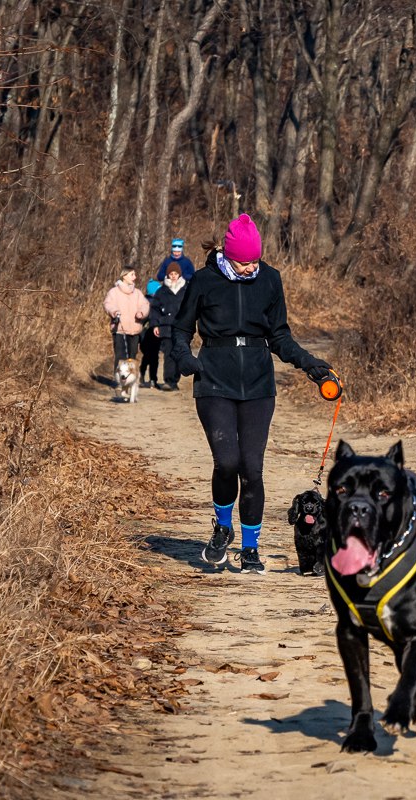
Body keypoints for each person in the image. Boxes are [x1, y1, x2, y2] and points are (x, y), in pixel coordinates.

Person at [170, 213, 333, 575]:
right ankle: (222, 527)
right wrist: (185, 358)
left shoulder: (271, 280)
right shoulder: (204, 280)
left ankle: (250, 548)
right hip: (213, 380)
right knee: (227, 462)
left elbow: (280, 336)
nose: (249, 268)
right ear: (228, 255)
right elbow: (179, 329)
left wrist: (309, 364)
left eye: (255, 261)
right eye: (243, 262)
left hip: (259, 385)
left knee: (253, 470)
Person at [149, 263, 187, 391]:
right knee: (169, 354)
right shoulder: (162, 291)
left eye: (176, 274)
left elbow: (191, 308)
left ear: (179, 274)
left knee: (180, 354)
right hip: (166, 327)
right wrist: (155, 324)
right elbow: (154, 309)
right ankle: (169, 381)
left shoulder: (186, 289)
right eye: (171, 274)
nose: (173, 276)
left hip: (182, 327)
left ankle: (176, 379)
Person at [103, 267, 150, 364]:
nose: (135, 277)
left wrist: (141, 313)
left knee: (132, 358)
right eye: (132, 274)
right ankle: (119, 379)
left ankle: (131, 378)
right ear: (124, 276)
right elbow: (108, 304)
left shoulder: (137, 293)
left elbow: (145, 305)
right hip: (120, 330)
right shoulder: (114, 292)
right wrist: (114, 312)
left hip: (134, 330)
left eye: (135, 274)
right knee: (120, 358)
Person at [139, 279, 162, 388]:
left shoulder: (155, 301)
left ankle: (148, 377)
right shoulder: (147, 302)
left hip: (150, 334)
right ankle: (149, 377)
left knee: (151, 357)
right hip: (148, 334)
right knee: (151, 357)